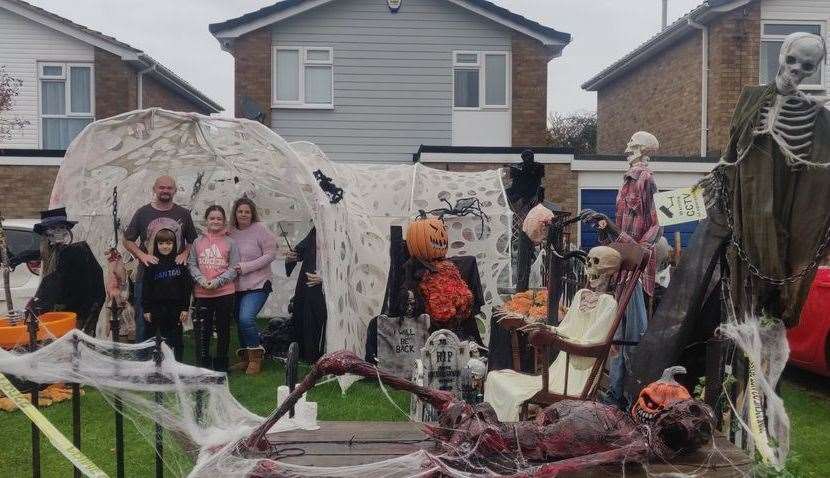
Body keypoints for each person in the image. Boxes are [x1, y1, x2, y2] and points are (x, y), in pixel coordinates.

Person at [123, 175, 197, 342]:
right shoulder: (143, 213)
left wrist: (185, 253)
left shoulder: (183, 214)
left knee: (173, 323)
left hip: (174, 279)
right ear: (154, 189)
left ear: (175, 190)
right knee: (143, 321)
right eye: (161, 187)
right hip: (147, 276)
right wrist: (142, 255)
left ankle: (170, 359)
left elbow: (192, 239)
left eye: (169, 188)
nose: (165, 191)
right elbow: (127, 239)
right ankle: (142, 362)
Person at [30, 207, 105, 335]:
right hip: (69, 313)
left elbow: (55, 281)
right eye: (53, 228)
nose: (58, 232)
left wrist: (37, 302)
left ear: (67, 230)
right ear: (46, 234)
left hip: (75, 313)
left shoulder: (75, 251)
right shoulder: (55, 253)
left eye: (61, 227)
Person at [229, 197, 277, 374]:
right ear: (235, 212)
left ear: (252, 213)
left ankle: (256, 358)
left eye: (247, 211)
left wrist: (246, 267)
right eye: (240, 211)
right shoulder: (230, 232)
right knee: (238, 320)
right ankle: (246, 358)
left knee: (246, 318)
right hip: (236, 286)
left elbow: (271, 254)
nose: (243, 214)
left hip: (258, 283)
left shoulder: (261, 230)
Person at [188, 205, 239, 372]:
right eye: (212, 218)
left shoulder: (231, 242)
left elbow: (233, 268)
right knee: (204, 329)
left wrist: (218, 281)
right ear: (206, 221)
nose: (215, 221)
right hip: (202, 292)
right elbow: (192, 264)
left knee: (224, 328)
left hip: (224, 292)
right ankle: (204, 361)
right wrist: (201, 279)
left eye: (219, 218)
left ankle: (221, 363)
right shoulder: (197, 242)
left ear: (224, 221)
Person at [141, 228, 192, 361]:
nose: (165, 246)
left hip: (175, 308)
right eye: (161, 243)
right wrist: (146, 309)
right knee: (157, 339)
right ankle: (158, 365)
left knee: (176, 339)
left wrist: (185, 308)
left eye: (168, 243)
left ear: (174, 244)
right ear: (156, 245)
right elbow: (146, 288)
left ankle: (177, 365)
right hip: (156, 308)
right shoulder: (152, 264)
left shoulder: (180, 263)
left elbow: (186, 288)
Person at [285, 227, 326, 362]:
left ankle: (321, 354)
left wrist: (325, 279)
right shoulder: (317, 229)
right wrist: (292, 257)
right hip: (308, 284)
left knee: (321, 319)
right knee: (305, 315)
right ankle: (307, 353)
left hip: (328, 289)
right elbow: (300, 251)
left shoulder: (342, 229)